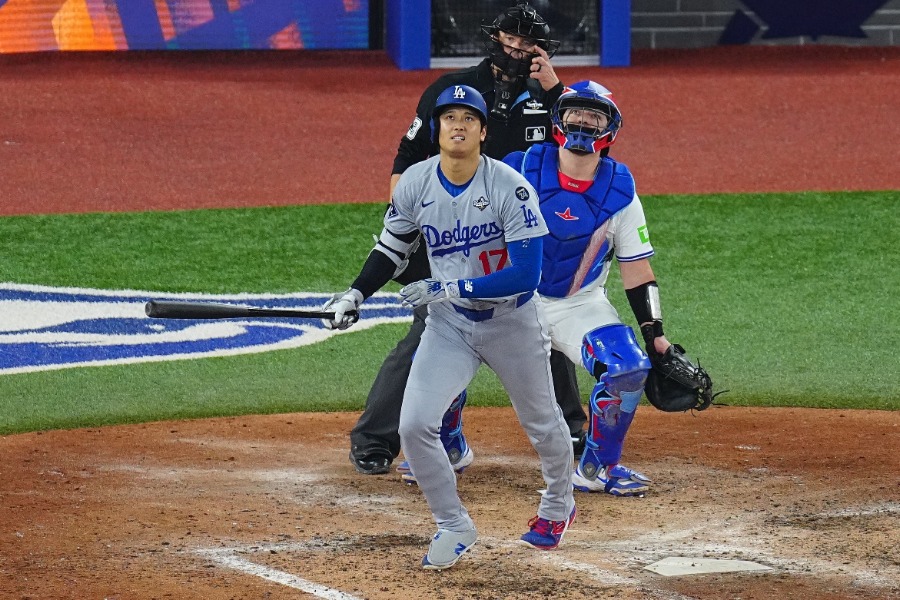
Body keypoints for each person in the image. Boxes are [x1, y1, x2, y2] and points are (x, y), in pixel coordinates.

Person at [324, 85, 576, 569]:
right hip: (450, 326)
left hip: (512, 323)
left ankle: (558, 506)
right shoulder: (415, 184)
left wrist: (449, 287)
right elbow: (391, 249)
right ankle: (454, 524)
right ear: (437, 129)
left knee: (542, 422)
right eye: (449, 118)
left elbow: (527, 274)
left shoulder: (509, 187)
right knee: (415, 424)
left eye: (468, 118)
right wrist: (356, 293)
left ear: (483, 132)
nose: (458, 125)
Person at [348, 1, 587, 477]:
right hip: (451, 236)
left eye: (526, 43)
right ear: (494, 39)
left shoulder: (549, 99)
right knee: (431, 330)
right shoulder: (451, 91)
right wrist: (410, 221)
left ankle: (572, 430)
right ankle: (375, 438)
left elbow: (584, 148)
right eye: (509, 39)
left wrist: (556, 91)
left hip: (518, 235)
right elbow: (408, 156)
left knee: (543, 325)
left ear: (541, 50)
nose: (515, 49)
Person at [414, 81, 670, 496]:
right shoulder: (516, 169)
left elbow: (637, 269)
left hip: (576, 303)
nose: (583, 122)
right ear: (557, 120)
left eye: (594, 116)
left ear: (610, 129)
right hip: (507, 297)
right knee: (443, 351)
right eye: (575, 112)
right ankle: (448, 447)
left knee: (627, 367)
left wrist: (654, 333)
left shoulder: (621, 193)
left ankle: (596, 468)